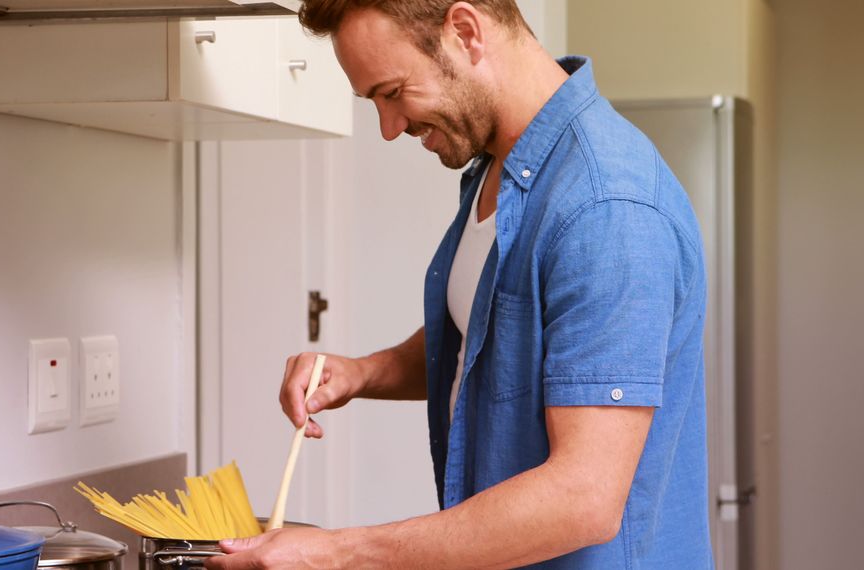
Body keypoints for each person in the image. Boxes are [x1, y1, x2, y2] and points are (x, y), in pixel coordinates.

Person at [205, 1, 713, 568]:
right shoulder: (501, 169)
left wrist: (338, 553)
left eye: (393, 92)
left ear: (465, 32)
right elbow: (493, 338)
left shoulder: (606, 207)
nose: (389, 127)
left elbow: (582, 498)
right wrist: (362, 372)